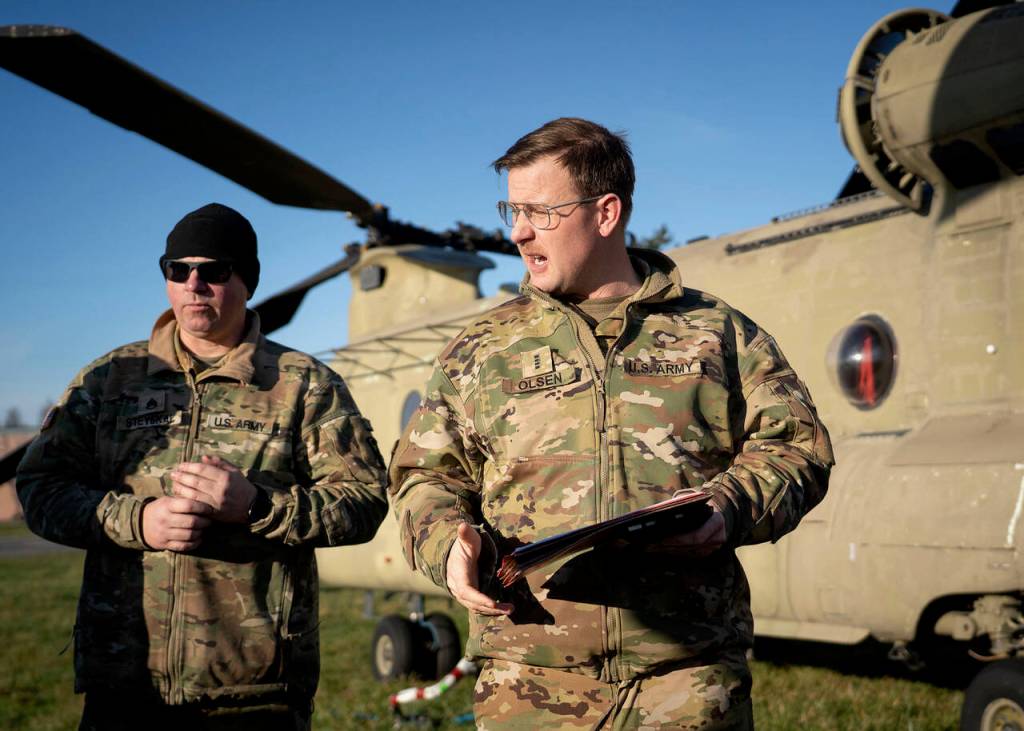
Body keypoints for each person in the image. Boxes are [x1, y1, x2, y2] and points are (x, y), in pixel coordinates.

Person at [388, 118, 834, 729]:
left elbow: (796, 449)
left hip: (687, 679)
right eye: (511, 210)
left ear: (605, 213)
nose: (518, 232)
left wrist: (728, 507)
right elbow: (423, 477)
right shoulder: (483, 348)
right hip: (528, 683)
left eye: (539, 212)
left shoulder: (716, 332)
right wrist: (447, 543)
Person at [17, 203, 388, 730]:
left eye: (214, 271)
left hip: (255, 692)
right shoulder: (108, 382)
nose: (195, 284)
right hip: (124, 685)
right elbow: (40, 487)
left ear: (246, 281)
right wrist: (136, 522)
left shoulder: (303, 384)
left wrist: (258, 506)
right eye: (178, 270)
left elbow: (365, 501)